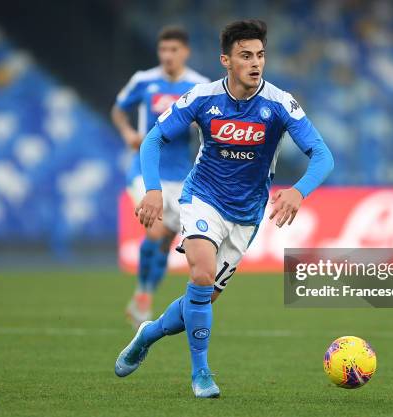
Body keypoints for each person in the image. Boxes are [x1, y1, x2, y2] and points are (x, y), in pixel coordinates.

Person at [115, 19, 334, 398]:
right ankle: (201, 375)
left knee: (201, 300)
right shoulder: (202, 97)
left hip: (246, 215)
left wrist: (298, 191)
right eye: (245, 55)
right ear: (226, 61)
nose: (255, 63)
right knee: (201, 275)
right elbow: (153, 140)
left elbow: (322, 155)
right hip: (202, 197)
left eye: (260, 55)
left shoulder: (280, 104)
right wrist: (152, 190)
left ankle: (148, 333)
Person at [111, 26, 209, 328]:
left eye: (174, 50)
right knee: (153, 232)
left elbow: (209, 122)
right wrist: (128, 133)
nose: (167, 56)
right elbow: (118, 109)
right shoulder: (144, 80)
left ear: (186, 52)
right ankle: (141, 292)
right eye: (163, 50)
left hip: (181, 176)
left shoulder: (200, 86)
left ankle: (146, 293)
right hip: (146, 170)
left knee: (166, 242)